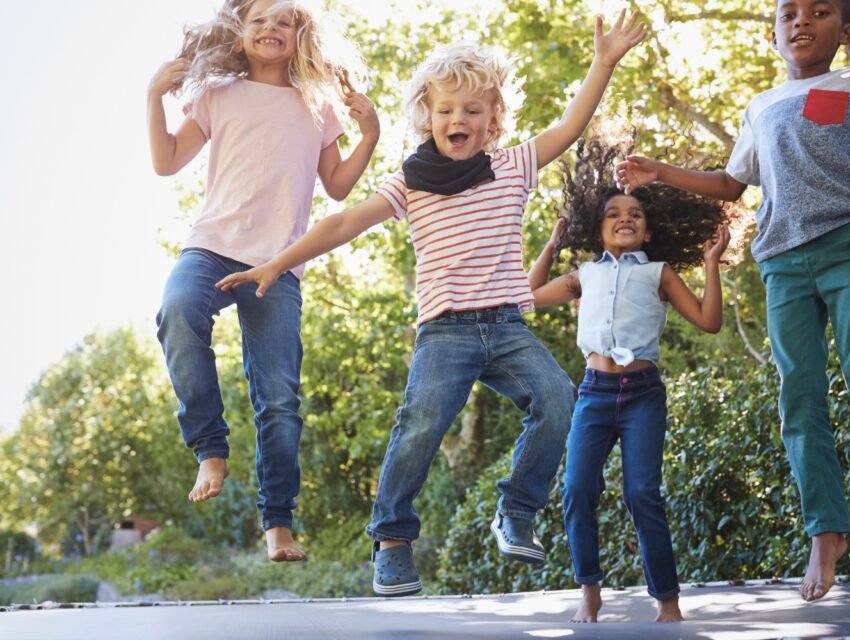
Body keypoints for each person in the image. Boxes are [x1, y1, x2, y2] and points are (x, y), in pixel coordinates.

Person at [214, 10, 647, 596]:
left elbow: (570, 126)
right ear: (427, 116)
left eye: (472, 110)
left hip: (506, 325)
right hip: (445, 331)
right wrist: (276, 262)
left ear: (493, 119)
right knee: (418, 426)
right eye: (445, 110)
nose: (457, 119)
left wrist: (603, 61)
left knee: (557, 399)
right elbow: (344, 220)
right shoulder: (410, 182)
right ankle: (392, 541)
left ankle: (515, 511)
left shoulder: (512, 165)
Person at [616, 0, 850, 602]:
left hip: (849, 248)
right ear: (773, 36)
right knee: (799, 397)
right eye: (789, 13)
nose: (801, 22)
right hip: (782, 264)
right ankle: (825, 533)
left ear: (844, 31)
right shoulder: (760, 106)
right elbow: (732, 185)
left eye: (819, 12)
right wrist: (662, 171)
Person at [147, 0, 380, 561]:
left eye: (286, 21)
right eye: (261, 21)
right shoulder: (217, 93)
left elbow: (340, 187)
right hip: (211, 246)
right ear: (240, 32)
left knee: (278, 399)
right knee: (177, 312)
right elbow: (166, 161)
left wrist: (369, 133)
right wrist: (152, 96)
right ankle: (210, 448)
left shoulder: (318, 106)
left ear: (303, 35)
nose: (273, 28)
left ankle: (278, 524)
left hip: (278, 263)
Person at [528, 136, 730, 622]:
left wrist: (709, 266)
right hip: (594, 395)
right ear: (597, 229)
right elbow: (528, 295)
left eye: (635, 215)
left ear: (646, 231)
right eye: (614, 213)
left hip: (641, 396)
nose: (625, 218)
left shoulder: (659, 273)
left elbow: (709, 321)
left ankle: (668, 602)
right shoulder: (584, 276)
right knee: (577, 490)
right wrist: (552, 246)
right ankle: (589, 591)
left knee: (642, 493)